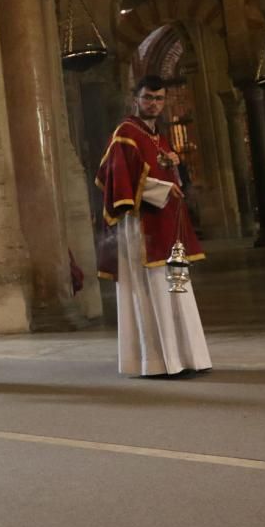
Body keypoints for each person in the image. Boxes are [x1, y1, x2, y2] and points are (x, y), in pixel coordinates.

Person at [97, 75, 211, 377]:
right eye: (148, 97)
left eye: (159, 99)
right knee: (153, 291)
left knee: (177, 286)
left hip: (168, 225)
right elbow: (115, 181)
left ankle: (188, 357)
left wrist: (174, 165)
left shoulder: (158, 137)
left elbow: (170, 178)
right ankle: (159, 362)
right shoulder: (126, 133)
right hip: (142, 227)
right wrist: (160, 186)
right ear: (136, 98)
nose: (154, 104)